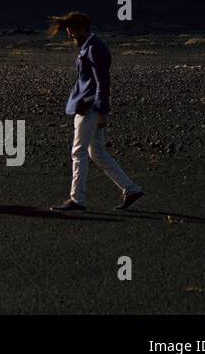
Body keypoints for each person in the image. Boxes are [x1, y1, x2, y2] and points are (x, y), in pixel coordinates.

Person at [47, 12, 144, 212]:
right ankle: (131, 189)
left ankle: (77, 200)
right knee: (96, 152)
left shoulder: (93, 48)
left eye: (71, 29)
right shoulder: (91, 46)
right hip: (89, 106)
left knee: (78, 151)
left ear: (81, 28)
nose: (69, 33)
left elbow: (103, 82)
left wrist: (102, 110)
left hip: (89, 107)